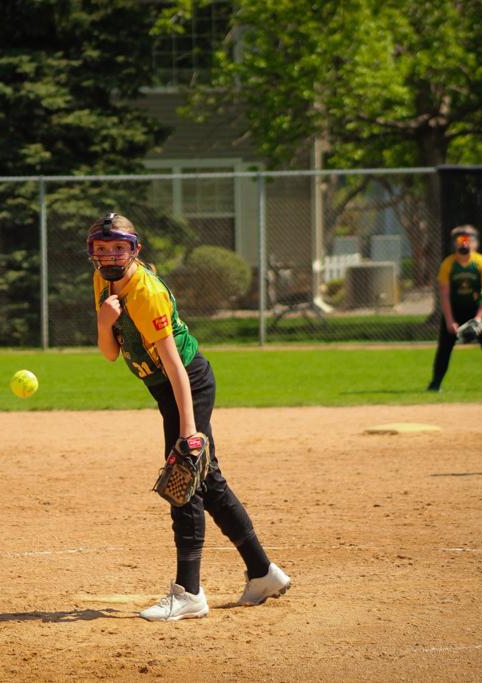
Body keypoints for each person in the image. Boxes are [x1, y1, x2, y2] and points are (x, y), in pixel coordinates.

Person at [88, 211, 290, 621]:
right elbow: (110, 353)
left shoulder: (145, 293)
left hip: (187, 385)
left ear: (135, 250)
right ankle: (262, 573)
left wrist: (189, 431)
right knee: (208, 481)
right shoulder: (103, 282)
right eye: (102, 247)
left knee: (184, 483)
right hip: (165, 389)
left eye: (119, 247)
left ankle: (189, 592)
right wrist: (104, 322)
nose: (110, 255)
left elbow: (175, 366)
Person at [426, 224, 482, 392]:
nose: (464, 243)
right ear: (454, 243)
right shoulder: (448, 265)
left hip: (477, 308)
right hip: (455, 309)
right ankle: (435, 384)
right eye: (460, 240)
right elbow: (444, 294)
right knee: (445, 346)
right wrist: (450, 320)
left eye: (468, 240)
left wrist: (479, 318)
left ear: (475, 243)